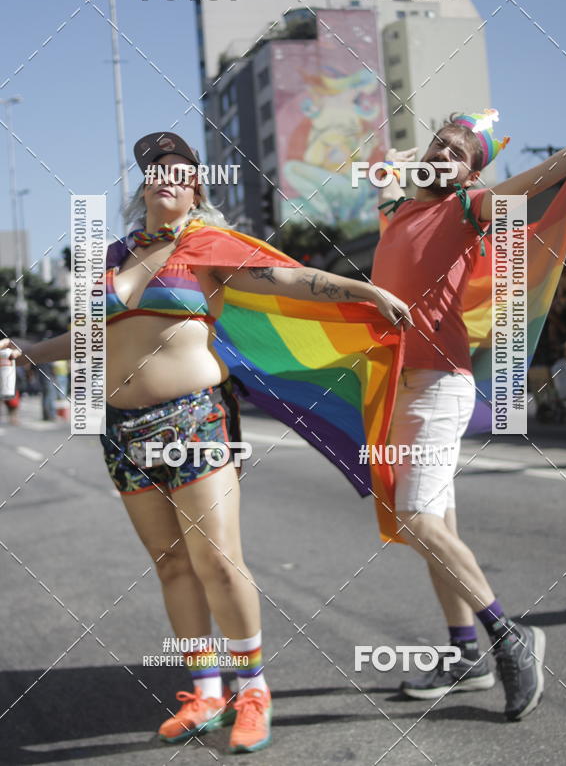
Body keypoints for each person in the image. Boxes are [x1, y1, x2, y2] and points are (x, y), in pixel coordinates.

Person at [1, 131, 411, 754]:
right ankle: (206, 690)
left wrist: (364, 290)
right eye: (153, 170)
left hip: (195, 420)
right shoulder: (110, 256)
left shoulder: (209, 247)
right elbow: (86, 336)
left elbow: (291, 281)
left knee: (216, 560)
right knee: (171, 563)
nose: (164, 176)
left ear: (196, 184)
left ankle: (253, 689)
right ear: (141, 187)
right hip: (122, 431)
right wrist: (27, 349)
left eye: (177, 169)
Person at [371, 112, 566, 720]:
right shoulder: (395, 212)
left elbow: (530, 183)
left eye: (456, 155)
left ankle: (510, 637)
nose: (442, 155)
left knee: (417, 518)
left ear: (470, 174)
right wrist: (393, 164)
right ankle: (464, 652)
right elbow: (382, 171)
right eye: (438, 145)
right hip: (399, 388)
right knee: (437, 527)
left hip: (442, 386)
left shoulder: (468, 208)